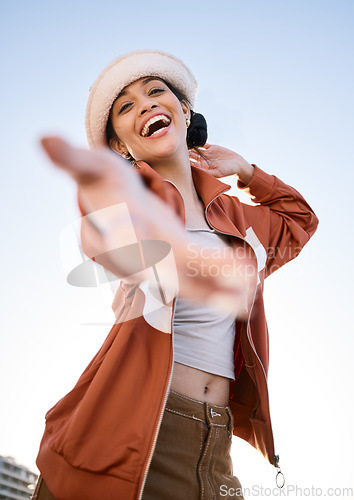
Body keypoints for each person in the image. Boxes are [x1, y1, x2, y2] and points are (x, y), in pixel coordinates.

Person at [32, 50, 318, 500]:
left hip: (216, 444)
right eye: (125, 107)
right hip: (132, 432)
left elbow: (299, 218)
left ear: (185, 112)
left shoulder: (240, 220)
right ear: (122, 147)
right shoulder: (133, 203)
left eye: (155, 91)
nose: (144, 104)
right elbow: (108, 239)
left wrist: (246, 172)